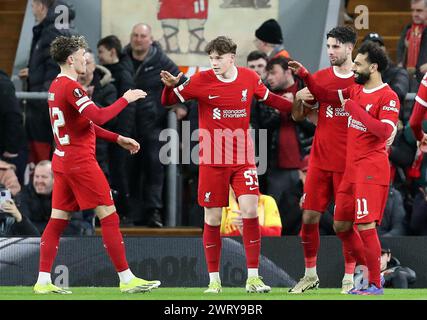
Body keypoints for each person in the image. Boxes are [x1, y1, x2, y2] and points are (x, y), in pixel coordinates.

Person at [160, 36, 293, 293]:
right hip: (212, 159)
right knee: (213, 217)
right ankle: (214, 280)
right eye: (211, 58)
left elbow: (271, 100)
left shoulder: (249, 78)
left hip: (243, 158)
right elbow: (168, 101)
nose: (214, 63)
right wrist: (170, 87)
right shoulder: (199, 81)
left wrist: (300, 105)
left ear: (231, 57)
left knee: (250, 211)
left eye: (219, 58)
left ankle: (253, 278)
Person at [33, 35, 160, 294]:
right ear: (71, 59)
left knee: (57, 219)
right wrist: (127, 98)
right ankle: (126, 279)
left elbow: (83, 124)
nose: (86, 59)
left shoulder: (55, 86)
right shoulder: (72, 87)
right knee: (109, 216)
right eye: (82, 56)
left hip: (62, 160)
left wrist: (117, 138)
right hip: (80, 163)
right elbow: (99, 115)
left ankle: (43, 281)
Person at [290, 41, 401, 295]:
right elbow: (325, 94)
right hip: (351, 169)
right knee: (341, 225)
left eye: (359, 65)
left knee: (365, 226)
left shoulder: (388, 96)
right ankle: (365, 274)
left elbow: (384, 131)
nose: (354, 70)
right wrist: (305, 75)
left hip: (371, 170)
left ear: (373, 67)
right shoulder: (355, 91)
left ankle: (374, 283)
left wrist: (354, 110)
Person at [289, 26, 358, 294]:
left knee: (343, 223)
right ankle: (309, 275)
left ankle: (350, 277)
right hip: (319, 159)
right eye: (328, 46)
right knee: (308, 217)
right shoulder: (319, 79)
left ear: (350, 48)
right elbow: (298, 116)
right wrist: (298, 98)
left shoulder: (361, 80)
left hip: (348, 162)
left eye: (336, 47)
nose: (330, 51)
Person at [123, 23, 186, 227]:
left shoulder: (161, 61)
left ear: (150, 39)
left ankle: (154, 213)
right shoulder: (122, 58)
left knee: (153, 167)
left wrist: (181, 105)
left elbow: (183, 83)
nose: (138, 39)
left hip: (153, 126)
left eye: (142, 35)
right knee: (127, 170)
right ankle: (128, 213)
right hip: (127, 125)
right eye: (135, 35)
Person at [19, 0, 76, 165]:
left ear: (41, 6)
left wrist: (47, 103)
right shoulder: (49, 30)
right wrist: (33, 72)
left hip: (43, 109)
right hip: (42, 106)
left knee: (44, 162)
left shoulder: (53, 31)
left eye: (33, 7)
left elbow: (55, 68)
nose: (33, 11)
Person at [97, 35, 136, 223]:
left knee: (119, 173)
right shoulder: (104, 73)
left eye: (101, 52)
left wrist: (122, 135)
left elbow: (128, 108)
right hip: (110, 134)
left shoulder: (123, 74)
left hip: (120, 134)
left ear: (112, 51)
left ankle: (124, 212)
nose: (99, 57)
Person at [363, 32, 410, 114]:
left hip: (390, 117)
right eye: (369, 47)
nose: (374, 50)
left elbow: (398, 93)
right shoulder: (355, 73)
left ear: (384, 49)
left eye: (378, 46)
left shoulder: (398, 72)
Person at [0, 69, 27, 184]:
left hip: (9, 152)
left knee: (11, 195)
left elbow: (13, 115)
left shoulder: (2, 83)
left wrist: (11, 149)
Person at [396, 0, 427, 88]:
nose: (414, 14)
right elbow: (400, 49)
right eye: (412, 10)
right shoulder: (409, 29)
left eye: (419, 10)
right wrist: (400, 63)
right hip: (410, 80)